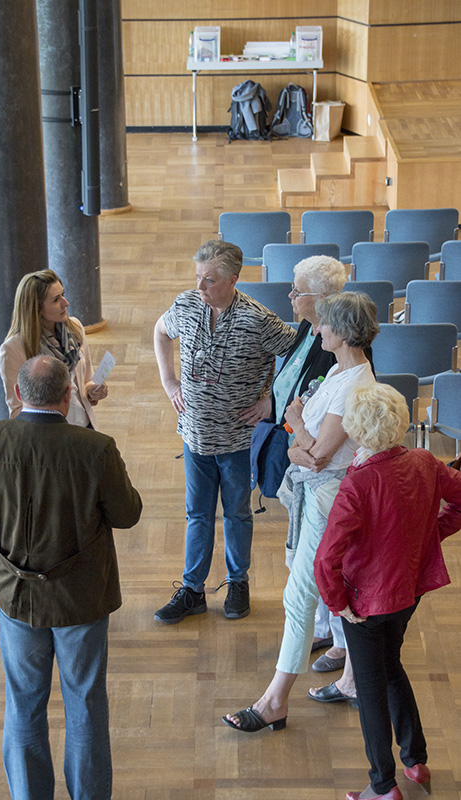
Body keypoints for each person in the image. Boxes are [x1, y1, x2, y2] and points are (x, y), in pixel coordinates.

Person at [0, 356, 142, 800]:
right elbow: (127, 514)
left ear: (19, 395)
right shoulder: (95, 448)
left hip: (15, 599)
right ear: (67, 397)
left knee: (23, 704)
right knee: (85, 705)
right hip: (82, 600)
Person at [222, 291, 378, 732]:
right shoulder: (340, 373)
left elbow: (315, 455)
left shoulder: (353, 385)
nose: (317, 329)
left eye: (324, 324)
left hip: (329, 500)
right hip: (317, 495)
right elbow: (300, 445)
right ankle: (350, 680)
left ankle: (275, 700)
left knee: (300, 596)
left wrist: (297, 427)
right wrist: (297, 434)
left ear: (343, 332)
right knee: (332, 589)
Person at [314, 383, 461, 800]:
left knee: (371, 685)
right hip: (409, 591)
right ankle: (415, 761)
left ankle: (382, 785)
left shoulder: (358, 483)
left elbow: (325, 560)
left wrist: (338, 605)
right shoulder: (425, 461)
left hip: (364, 603)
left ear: (357, 430)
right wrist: (434, 533)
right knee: (391, 666)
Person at [153, 239, 296, 623]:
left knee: (236, 514)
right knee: (197, 514)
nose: (200, 288)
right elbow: (160, 331)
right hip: (195, 435)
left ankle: (238, 583)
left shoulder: (258, 319)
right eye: (198, 278)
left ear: (234, 279)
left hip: (237, 441)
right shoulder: (186, 304)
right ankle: (192, 590)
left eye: (209, 281)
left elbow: (299, 355)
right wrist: (169, 382)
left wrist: (273, 403)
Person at [254, 254, 349, 673]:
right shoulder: (310, 328)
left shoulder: (337, 349)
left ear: (323, 299)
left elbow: (321, 446)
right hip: (302, 463)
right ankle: (326, 626)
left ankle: (342, 641)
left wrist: (293, 430)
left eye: (298, 291)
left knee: (326, 558)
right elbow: (291, 378)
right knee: (308, 556)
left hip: (322, 474)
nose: (289, 296)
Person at [0, 268, 108, 428]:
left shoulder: (75, 328)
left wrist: (92, 390)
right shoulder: (12, 350)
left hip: (84, 428)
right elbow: (16, 411)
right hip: (48, 436)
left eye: (63, 295)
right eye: (56, 300)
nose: (66, 303)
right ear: (37, 308)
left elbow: (85, 380)